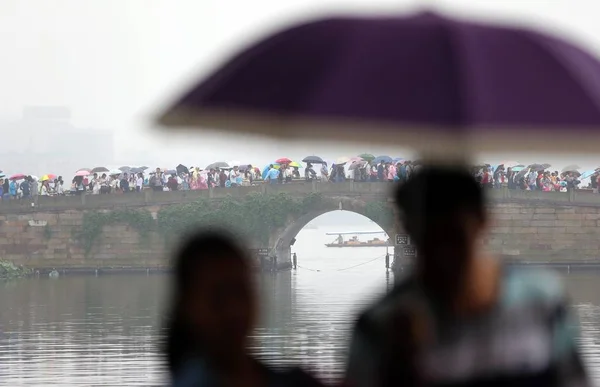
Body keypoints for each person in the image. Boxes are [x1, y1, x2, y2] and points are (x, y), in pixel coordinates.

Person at [345, 164, 590, 387]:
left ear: (484, 221)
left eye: (453, 237)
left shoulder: (540, 301)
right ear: (407, 230)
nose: (441, 255)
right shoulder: (381, 322)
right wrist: (399, 368)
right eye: (428, 239)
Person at [164, 230, 323, 387]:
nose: (234, 310)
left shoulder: (297, 382)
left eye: (241, 292)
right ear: (188, 307)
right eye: (218, 299)